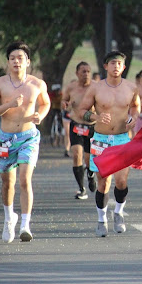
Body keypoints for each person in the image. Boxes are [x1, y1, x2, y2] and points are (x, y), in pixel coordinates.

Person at [0, 41, 50, 243]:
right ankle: (8, 218)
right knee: (7, 183)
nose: (16, 62)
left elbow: (45, 103)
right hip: (5, 139)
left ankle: (25, 225)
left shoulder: (37, 84)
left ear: (28, 62)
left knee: (24, 179)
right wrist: (10, 104)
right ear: (8, 62)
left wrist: (41, 115)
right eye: (12, 58)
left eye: (20, 58)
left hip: (28, 137)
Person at [77, 50, 139, 237]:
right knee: (103, 183)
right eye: (112, 63)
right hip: (101, 140)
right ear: (105, 66)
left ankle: (118, 212)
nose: (116, 66)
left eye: (119, 63)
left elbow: (135, 107)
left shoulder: (131, 87)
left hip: (121, 139)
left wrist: (133, 118)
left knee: (121, 181)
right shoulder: (96, 88)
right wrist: (95, 116)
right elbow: (81, 111)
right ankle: (101, 219)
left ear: (124, 67)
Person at [61, 62, 97, 200]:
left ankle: (90, 174)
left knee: (88, 159)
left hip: (92, 126)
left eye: (88, 71)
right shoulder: (71, 87)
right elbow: (64, 101)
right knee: (77, 154)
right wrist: (65, 104)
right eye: (83, 71)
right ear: (77, 73)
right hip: (77, 124)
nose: (86, 74)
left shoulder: (96, 87)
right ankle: (81, 189)